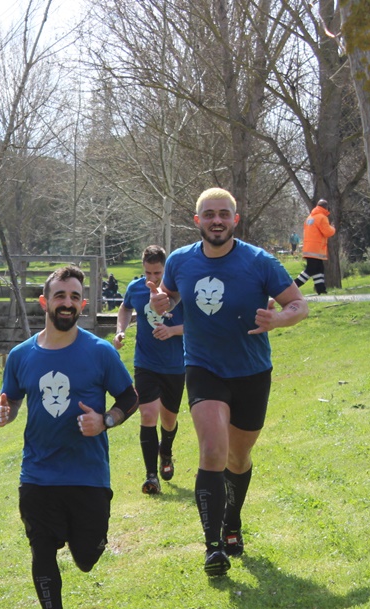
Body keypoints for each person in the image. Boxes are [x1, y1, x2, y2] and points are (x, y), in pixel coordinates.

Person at [149, 188, 307, 577]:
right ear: (197, 220)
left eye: (223, 214)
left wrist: (279, 320)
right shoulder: (181, 261)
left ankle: (232, 523)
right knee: (213, 451)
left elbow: (298, 304)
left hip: (252, 371)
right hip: (203, 367)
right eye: (209, 214)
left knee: (238, 457)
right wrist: (160, 302)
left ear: (235, 220)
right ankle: (213, 547)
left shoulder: (258, 261)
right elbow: (166, 294)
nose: (216, 220)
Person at [0, 265, 138, 609]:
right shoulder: (21, 355)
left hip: (88, 473)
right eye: (60, 296)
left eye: (74, 297)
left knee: (87, 557)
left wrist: (104, 421)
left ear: (83, 304)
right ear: (45, 302)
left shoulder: (100, 351)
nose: (67, 303)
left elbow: (129, 398)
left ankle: (84, 541)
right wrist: (3, 412)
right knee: (41, 548)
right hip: (38, 472)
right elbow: (12, 398)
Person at [113, 245, 184, 496]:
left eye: (157, 273)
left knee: (168, 420)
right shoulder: (136, 288)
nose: (152, 279)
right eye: (148, 273)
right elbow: (125, 308)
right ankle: (150, 476)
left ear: (166, 269)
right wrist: (120, 330)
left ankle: (166, 451)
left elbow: (197, 324)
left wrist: (172, 331)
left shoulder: (178, 289)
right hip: (145, 363)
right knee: (147, 416)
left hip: (175, 364)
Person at [294, 199, 335, 294]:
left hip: (309, 247)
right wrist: (333, 228)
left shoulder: (310, 217)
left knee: (319, 269)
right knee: (310, 270)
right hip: (316, 248)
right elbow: (327, 232)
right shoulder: (322, 217)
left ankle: (321, 290)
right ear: (326, 207)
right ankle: (293, 287)